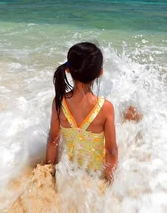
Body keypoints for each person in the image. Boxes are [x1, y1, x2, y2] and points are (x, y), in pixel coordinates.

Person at [45, 42, 118, 182]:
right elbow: (111, 151)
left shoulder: (59, 102)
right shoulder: (105, 108)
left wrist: (49, 174)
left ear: (68, 70)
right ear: (100, 73)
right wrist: (110, 184)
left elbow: (53, 140)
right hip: (95, 175)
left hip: (69, 170)